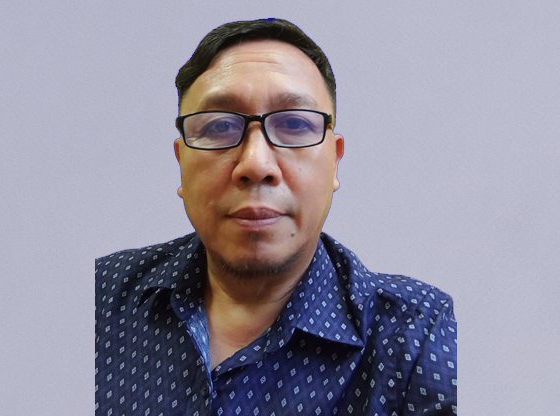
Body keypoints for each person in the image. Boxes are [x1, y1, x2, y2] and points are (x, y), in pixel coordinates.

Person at [95, 18, 457, 416]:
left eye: (295, 124)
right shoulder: (100, 296)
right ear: (181, 162)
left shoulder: (420, 337)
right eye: (219, 125)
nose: (256, 163)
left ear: (334, 162)